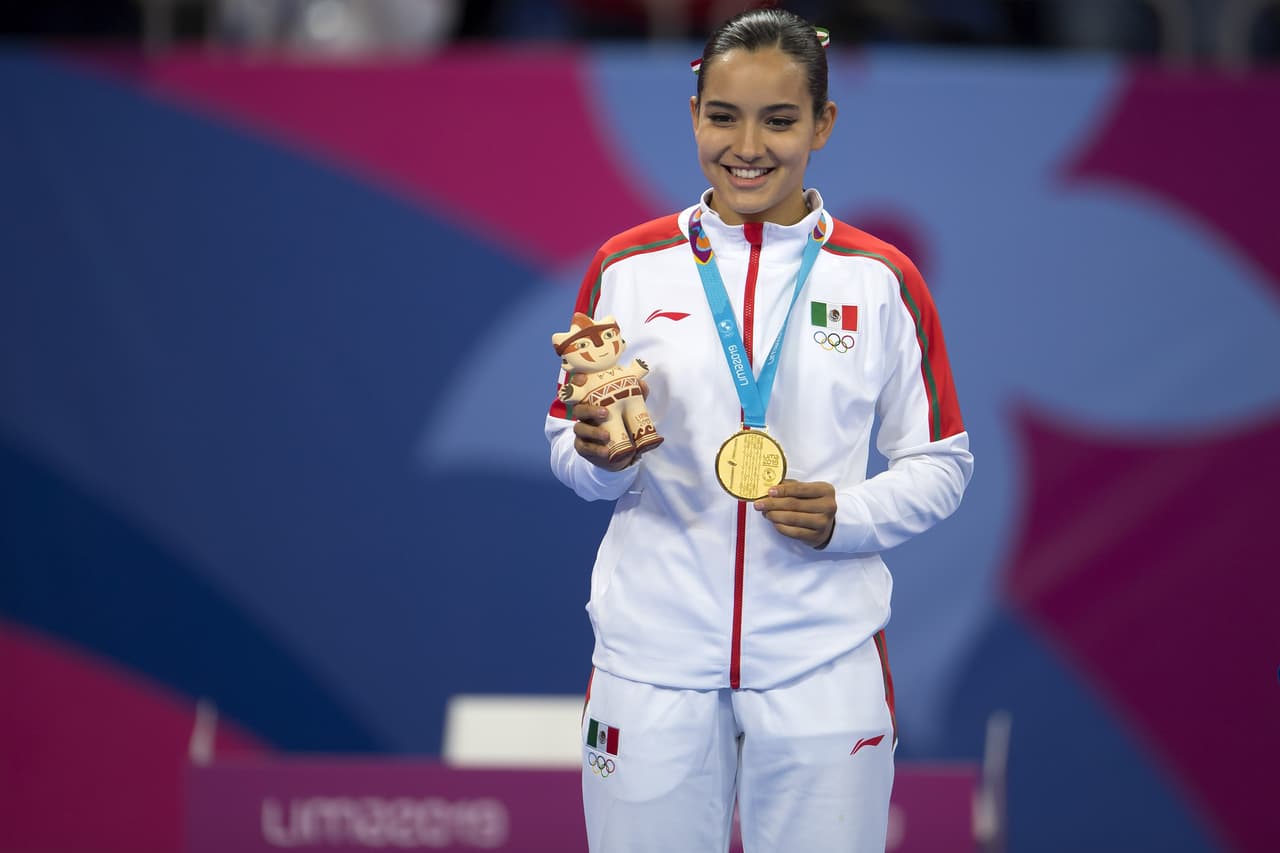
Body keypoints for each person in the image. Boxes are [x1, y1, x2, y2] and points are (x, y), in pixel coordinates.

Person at [545, 7, 973, 851]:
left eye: (780, 120)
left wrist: (848, 517)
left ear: (823, 122)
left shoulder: (882, 279)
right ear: (694, 114)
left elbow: (942, 461)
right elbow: (568, 442)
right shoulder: (626, 267)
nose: (749, 145)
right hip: (651, 662)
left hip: (822, 666)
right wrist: (598, 458)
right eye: (723, 116)